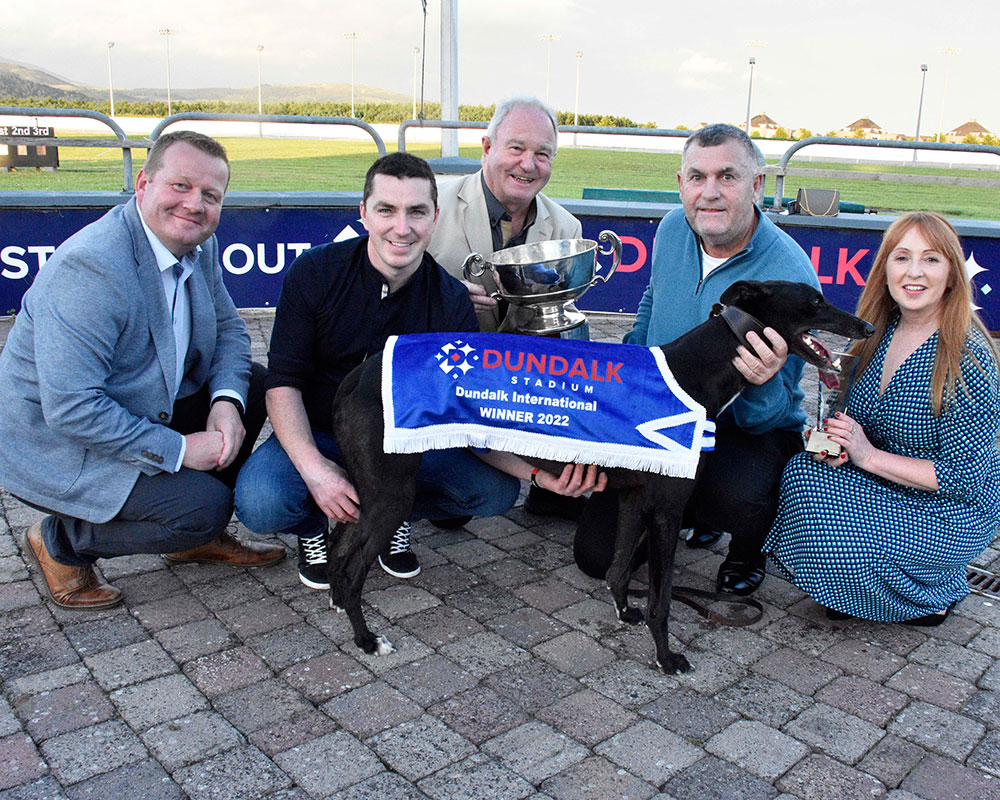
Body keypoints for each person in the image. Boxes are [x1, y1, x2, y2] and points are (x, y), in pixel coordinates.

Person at [234, 152, 603, 589]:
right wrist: (315, 471)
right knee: (260, 501)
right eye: (386, 210)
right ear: (364, 213)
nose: (402, 227)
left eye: (416, 212)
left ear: (435, 217)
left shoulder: (451, 301)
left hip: (406, 447)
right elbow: (282, 384)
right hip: (321, 434)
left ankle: (391, 515)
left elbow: (469, 418)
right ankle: (313, 524)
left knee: (494, 492)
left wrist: (540, 476)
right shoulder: (314, 272)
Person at [0, 130, 285, 610]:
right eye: (181, 186)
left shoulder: (197, 245)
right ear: (143, 183)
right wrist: (179, 450)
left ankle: (192, 539)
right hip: (59, 444)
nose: (194, 204)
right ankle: (60, 542)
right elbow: (71, 409)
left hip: (139, 404)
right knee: (202, 509)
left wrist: (226, 404)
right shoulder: (91, 269)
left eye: (210, 195)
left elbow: (230, 332)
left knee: (252, 386)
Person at [573, 122, 819, 595]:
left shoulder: (788, 272)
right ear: (680, 183)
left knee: (739, 497)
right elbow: (652, 299)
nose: (710, 192)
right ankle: (685, 511)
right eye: (697, 177)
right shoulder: (672, 228)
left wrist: (762, 380)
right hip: (669, 415)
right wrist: (632, 367)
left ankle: (747, 545)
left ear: (756, 185)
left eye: (727, 176)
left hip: (742, 428)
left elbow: (772, 412)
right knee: (596, 557)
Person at [764, 211, 1000, 624]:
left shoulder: (967, 358)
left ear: (951, 275)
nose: (914, 272)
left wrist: (867, 455)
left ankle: (931, 597)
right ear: (886, 269)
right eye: (902, 257)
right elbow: (858, 427)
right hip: (883, 483)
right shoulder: (878, 333)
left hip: (949, 509)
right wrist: (837, 442)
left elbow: (961, 479)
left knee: (847, 544)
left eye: (931, 259)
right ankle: (854, 588)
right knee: (802, 474)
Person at [429, 96, 585, 523]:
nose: (528, 164)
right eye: (516, 148)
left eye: (542, 154)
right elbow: (385, 288)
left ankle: (551, 482)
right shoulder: (432, 206)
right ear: (486, 148)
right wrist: (442, 295)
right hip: (443, 386)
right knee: (465, 503)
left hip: (514, 387)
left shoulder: (567, 229)